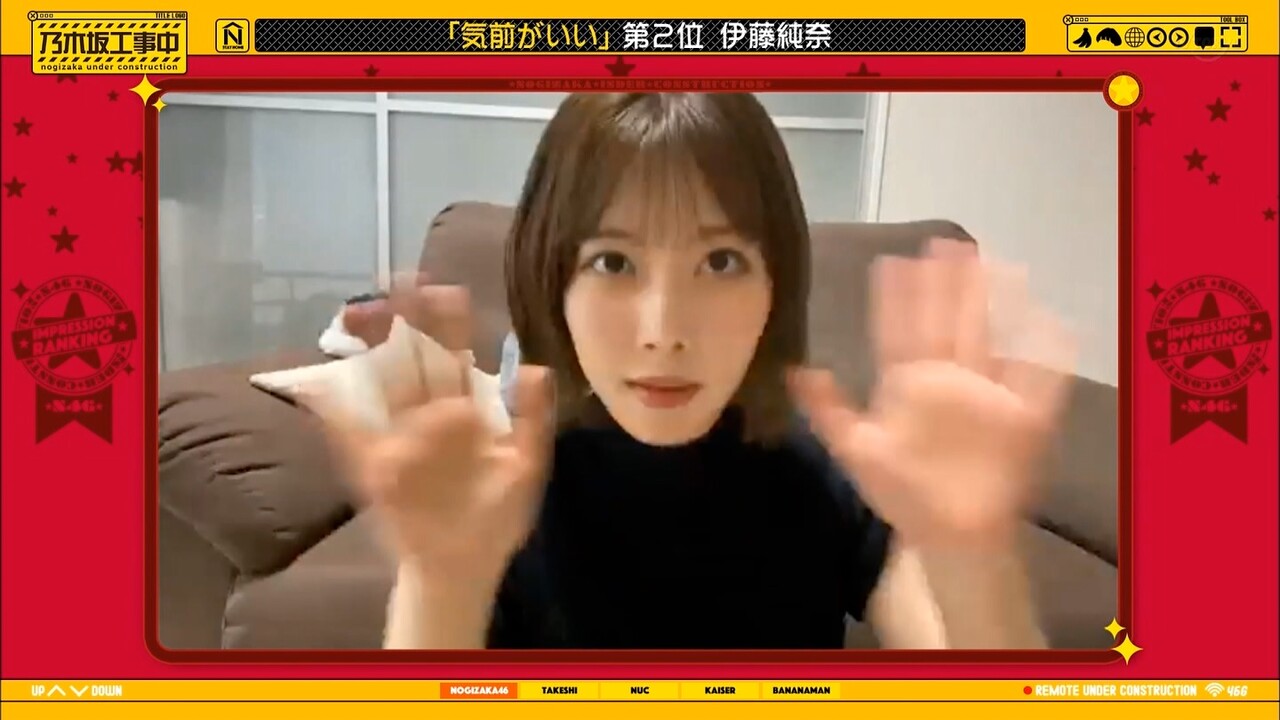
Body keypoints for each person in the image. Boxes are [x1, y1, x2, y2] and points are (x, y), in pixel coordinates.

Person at [321, 93, 1074, 650]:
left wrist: (974, 558)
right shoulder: (500, 485)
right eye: (613, 262)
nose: (664, 332)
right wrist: (439, 583)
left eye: (720, 262)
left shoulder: (827, 472)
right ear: (554, 282)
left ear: (777, 285)